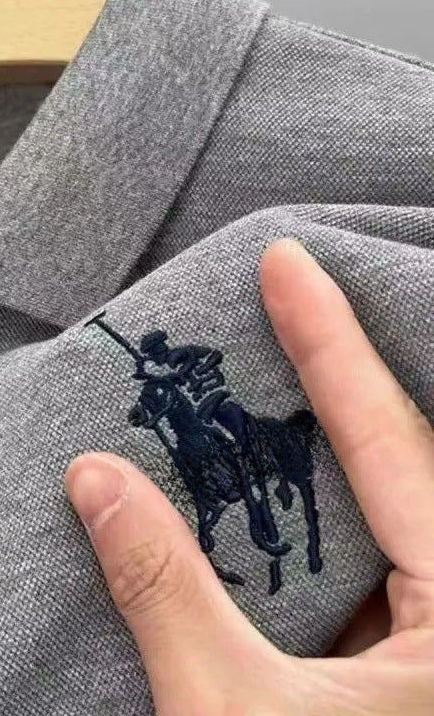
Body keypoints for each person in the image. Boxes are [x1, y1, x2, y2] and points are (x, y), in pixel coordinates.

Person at [64, 238, 434, 715]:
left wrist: (180, 370)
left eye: (158, 347)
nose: (158, 350)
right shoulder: (160, 367)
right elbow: (151, 381)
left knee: (237, 440)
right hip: (194, 415)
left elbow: (208, 362)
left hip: (219, 406)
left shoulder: (187, 355)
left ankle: (258, 500)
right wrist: (153, 375)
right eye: (154, 349)